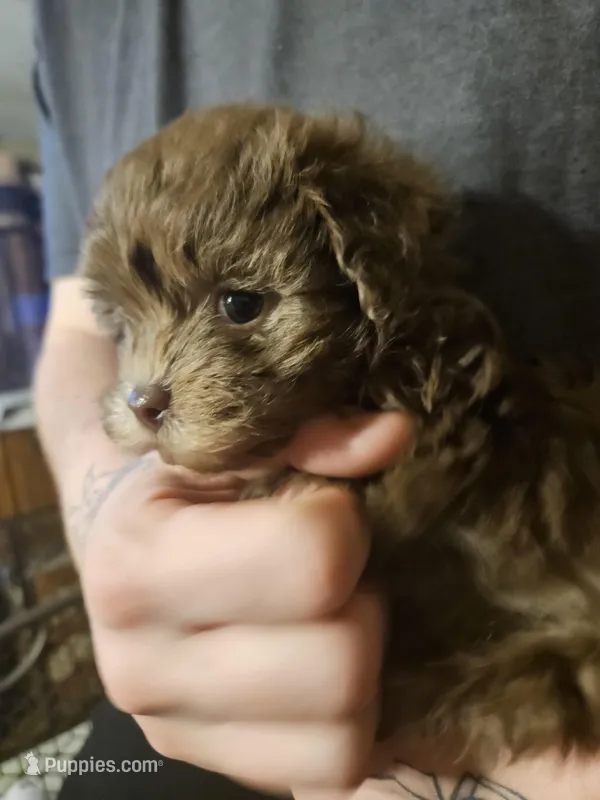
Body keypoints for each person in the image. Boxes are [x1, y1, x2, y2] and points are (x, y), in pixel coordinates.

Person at [31, 2, 600, 799]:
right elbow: (72, 331)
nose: (147, 376)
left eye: (239, 306)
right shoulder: (66, 22)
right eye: (134, 319)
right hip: (195, 677)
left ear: (368, 269)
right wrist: (113, 519)